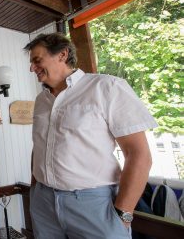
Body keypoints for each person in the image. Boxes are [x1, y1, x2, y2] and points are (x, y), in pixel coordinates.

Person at [25, 33, 157, 238]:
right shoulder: (41, 100)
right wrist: (35, 193)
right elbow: (40, 147)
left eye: (37, 60)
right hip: (43, 203)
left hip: (95, 206)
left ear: (62, 54)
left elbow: (139, 155)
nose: (32, 68)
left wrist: (124, 216)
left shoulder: (107, 87)